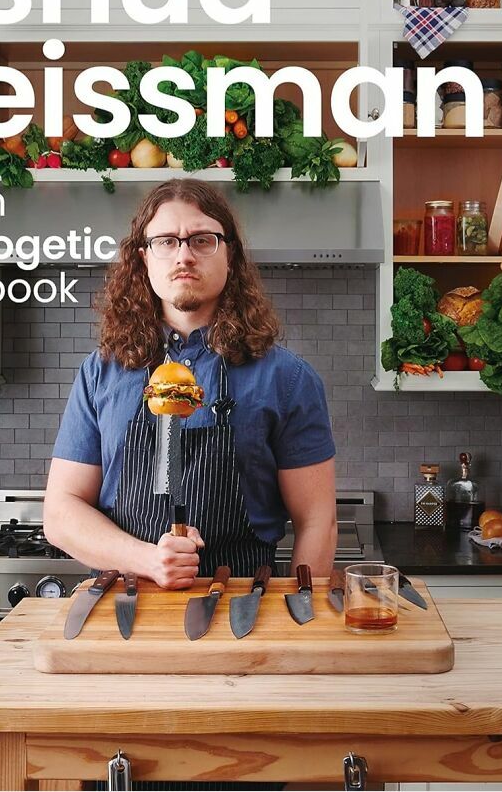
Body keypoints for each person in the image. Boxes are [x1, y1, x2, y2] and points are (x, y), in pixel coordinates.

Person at [45, 178, 337, 585]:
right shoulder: (100, 372)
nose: (184, 255)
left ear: (229, 255)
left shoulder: (287, 378)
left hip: (242, 608)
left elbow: (317, 521)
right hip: (126, 605)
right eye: (166, 241)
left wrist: (302, 616)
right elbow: (61, 512)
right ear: (144, 258)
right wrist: (148, 560)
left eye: (202, 240)